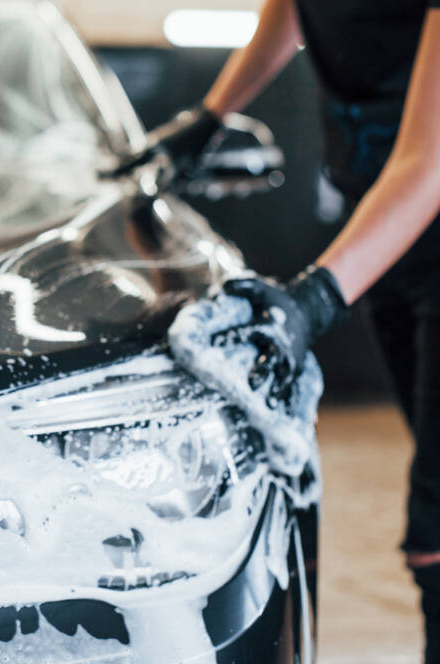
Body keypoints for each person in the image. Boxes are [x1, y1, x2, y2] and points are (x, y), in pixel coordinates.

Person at [141, 0, 440, 658]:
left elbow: (431, 160)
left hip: (421, 202)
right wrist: (212, 114)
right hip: (390, 233)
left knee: (434, 526)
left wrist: (314, 301)